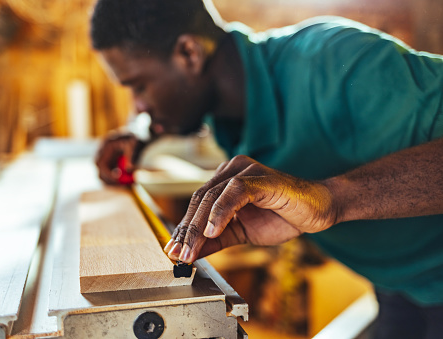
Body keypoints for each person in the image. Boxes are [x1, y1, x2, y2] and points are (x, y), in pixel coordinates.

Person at [90, 0, 443, 337]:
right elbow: (172, 111)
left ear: (189, 54)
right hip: (396, 284)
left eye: (139, 86)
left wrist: (332, 198)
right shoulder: (222, 107)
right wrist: (142, 134)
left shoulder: (337, 61)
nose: (138, 107)